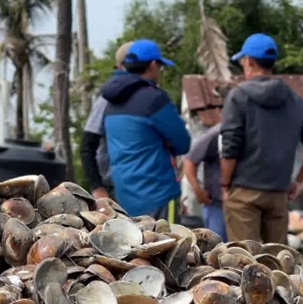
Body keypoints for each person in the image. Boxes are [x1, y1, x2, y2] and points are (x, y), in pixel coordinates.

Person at [219, 33, 303, 244]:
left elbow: (230, 146)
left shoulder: (238, 96)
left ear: (248, 61)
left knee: (245, 262)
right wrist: (299, 181)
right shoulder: (294, 99)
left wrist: (225, 184)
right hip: (278, 193)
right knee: (277, 264)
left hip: (244, 193)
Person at [99, 39, 191, 220]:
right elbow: (183, 143)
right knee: (167, 244)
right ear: (153, 64)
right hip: (158, 194)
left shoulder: (111, 102)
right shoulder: (155, 99)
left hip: (124, 196)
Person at [80, 42, 133, 201]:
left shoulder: (149, 97)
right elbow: (87, 146)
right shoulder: (107, 99)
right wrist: (97, 188)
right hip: (113, 189)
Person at [181, 124, 227, 240]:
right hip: (217, 205)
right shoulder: (216, 134)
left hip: (243, 206)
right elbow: (189, 161)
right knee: (215, 247)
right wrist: (198, 190)